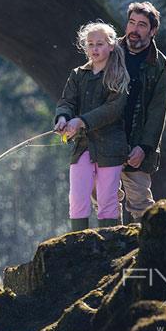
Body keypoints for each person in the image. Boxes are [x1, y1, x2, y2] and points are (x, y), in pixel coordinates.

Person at [55, 22, 129, 231]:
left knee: (107, 202)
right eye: (90, 44)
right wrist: (62, 117)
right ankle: (78, 245)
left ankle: (110, 247)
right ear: (85, 47)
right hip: (82, 147)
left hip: (111, 148)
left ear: (111, 46)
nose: (95, 49)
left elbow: (113, 109)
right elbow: (67, 102)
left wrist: (82, 121)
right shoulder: (78, 74)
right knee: (77, 199)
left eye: (100, 44)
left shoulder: (119, 75)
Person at [118, 2, 166, 223]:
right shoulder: (111, 52)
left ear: (152, 31)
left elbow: (159, 111)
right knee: (104, 200)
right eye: (132, 23)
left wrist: (144, 146)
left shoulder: (160, 65)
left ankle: (146, 253)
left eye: (142, 25)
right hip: (108, 141)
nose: (135, 29)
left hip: (138, 146)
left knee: (140, 202)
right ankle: (110, 252)